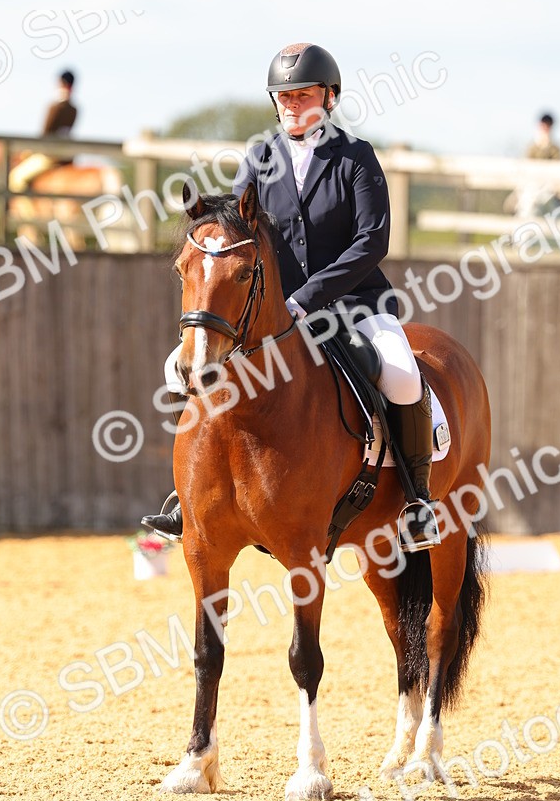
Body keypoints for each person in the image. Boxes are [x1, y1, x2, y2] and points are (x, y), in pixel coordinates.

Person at [141, 42, 440, 550]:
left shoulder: (355, 158)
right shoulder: (260, 157)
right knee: (183, 366)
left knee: (401, 373)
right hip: (271, 311)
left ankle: (417, 501)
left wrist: (308, 297)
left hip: (353, 303)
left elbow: (373, 241)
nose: (292, 105)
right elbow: (241, 224)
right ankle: (185, 492)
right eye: (283, 97)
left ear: (329, 96)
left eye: (303, 95)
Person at [9, 70, 78, 192]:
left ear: (61, 84)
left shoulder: (54, 107)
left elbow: (45, 133)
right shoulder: (75, 109)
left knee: (16, 178)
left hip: (50, 155)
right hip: (68, 156)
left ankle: (26, 211)